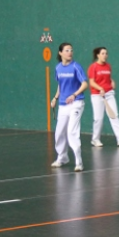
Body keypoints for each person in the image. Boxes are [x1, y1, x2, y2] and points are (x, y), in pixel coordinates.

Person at [50, 42, 89, 172]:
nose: (70, 52)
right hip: (63, 105)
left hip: (77, 103)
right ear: (60, 53)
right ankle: (62, 157)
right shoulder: (58, 68)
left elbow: (84, 84)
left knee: (72, 132)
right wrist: (55, 98)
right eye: (67, 50)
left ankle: (79, 162)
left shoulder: (76, 67)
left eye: (71, 50)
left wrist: (74, 94)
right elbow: (60, 85)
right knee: (59, 132)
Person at [87, 47, 119, 147]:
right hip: (97, 95)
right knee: (98, 118)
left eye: (106, 53)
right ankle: (95, 139)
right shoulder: (93, 67)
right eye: (102, 53)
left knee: (114, 115)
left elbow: (108, 78)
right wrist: (100, 88)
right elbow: (92, 82)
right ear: (98, 55)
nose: (105, 55)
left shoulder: (108, 66)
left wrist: (112, 82)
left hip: (109, 94)